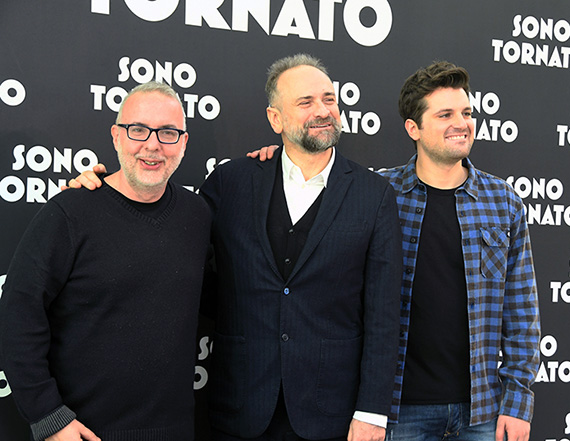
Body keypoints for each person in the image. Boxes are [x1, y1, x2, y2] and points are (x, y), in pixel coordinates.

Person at [64, 54, 403, 441]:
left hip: (331, 413)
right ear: (275, 119)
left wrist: (373, 411)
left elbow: (384, 313)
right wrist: (103, 193)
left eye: (329, 99)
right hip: (240, 407)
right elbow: (161, 221)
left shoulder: (374, 195)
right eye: (306, 102)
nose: (323, 111)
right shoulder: (232, 181)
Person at [250, 60, 541, 441]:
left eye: (467, 113)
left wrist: (518, 400)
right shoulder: (377, 194)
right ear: (413, 128)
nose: (462, 123)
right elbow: (309, 166)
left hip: (481, 411)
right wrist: (277, 158)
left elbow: (521, 310)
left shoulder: (503, 202)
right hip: (398, 408)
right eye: (445, 114)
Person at [0, 81, 212, 441]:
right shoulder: (70, 212)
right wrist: (49, 417)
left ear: (185, 143)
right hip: (83, 432)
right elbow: (18, 315)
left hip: (176, 429)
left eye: (168, 132)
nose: (152, 144)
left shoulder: (199, 215)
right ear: (116, 136)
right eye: (138, 129)